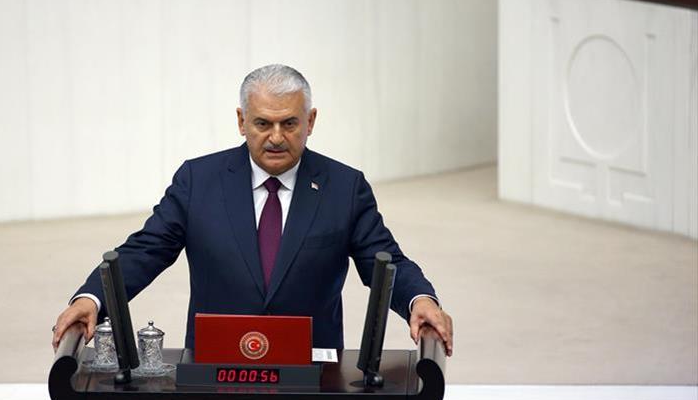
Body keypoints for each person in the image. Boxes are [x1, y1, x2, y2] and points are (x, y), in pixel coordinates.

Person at [52, 64, 453, 356]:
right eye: (263, 124)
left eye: (289, 124)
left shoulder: (344, 188)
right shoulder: (198, 181)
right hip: (215, 369)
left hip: (314, 376)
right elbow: (146, 250)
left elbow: (385, 261)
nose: (276, 137)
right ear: (241, 121)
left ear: (311, 121)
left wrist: (420, 301)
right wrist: (92, 299)